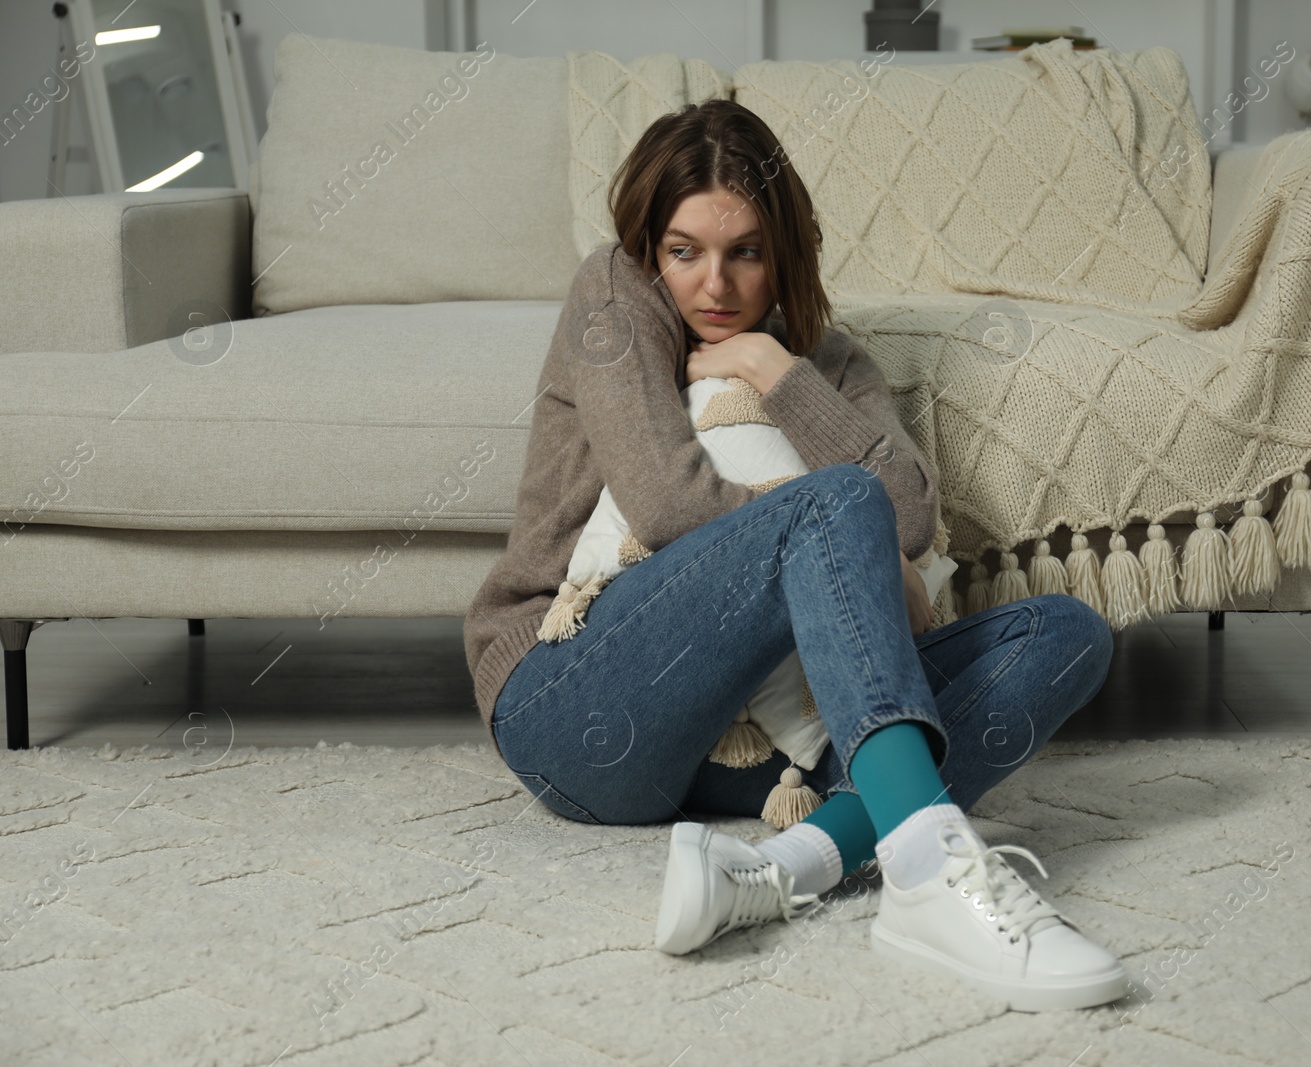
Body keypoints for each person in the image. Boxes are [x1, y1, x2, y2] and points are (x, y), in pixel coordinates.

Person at [463, 99, 1126, 1012]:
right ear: (650, 250)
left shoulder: (830, 363)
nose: (714, 285)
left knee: (1068, 631)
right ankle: (930, 872)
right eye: (684, 249)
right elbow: (664, 502)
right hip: (577, 705)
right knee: (839, 503)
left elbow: (914, 517)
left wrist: (777, 375)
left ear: (783, 254)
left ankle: (789, 865)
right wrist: (854, 544)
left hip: (780, 763)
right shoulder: (615, 299)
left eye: (745, 251)